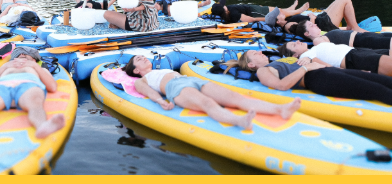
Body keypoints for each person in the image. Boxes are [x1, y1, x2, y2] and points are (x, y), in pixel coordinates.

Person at [123, 55, 301, 130]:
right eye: (138, 59)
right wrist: (160, 102)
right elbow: (147, 92)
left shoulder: (165, 69)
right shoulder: (141, 80)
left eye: (142, 56)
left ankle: (280, 109)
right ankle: (238, 121)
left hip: (190, 80)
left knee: (234, 97)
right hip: (175, 89)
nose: (143, 58)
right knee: (207, 103)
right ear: (136, 70)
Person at [224, 50, 392, 108]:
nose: (261, 53)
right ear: (251, 65)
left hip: (329, 72)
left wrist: (308, 60)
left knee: (387, 81)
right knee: (378, 90)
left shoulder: (279, 60)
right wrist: (305, 67)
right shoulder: (263, 71)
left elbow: (309, 63)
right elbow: (281, 85)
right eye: (255, 54)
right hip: (319, 79)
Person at [277, 40, 392, 77]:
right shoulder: (305, 56)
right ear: (294, 55)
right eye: (294, 45)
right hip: (354, 59)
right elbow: (327, 67)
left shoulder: (313, 48)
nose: (298, 41)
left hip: (360, 52)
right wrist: (356, 74)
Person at [288, 20, 392, 57]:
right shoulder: (317, 40)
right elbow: (330, 51)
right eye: (311, 25)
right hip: (364, 41)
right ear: (307, 34)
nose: (315, 24)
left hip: (368, 37)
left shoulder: (323, 34)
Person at [265, 0, 367, 33]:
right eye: (277, 14)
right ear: (278, 21)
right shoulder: (288, 26)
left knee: (340, 0)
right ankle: (354, 27)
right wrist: (312, 18)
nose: (280, 11)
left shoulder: (288, 20)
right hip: (324, 24)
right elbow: (306, 31)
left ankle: (350, 26)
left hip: (321, 19)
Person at [210, 0, 309, 23]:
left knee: (277, 9)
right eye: (223, 6)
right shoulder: (234, 15)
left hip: (252, 7)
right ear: (224, 11)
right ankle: (298, 11)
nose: (225, 5)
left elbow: (222, 1)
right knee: (278, 12)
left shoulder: (227, 11)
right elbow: (252, 19)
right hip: (254, 12)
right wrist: (270, 18)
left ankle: (290, 9)